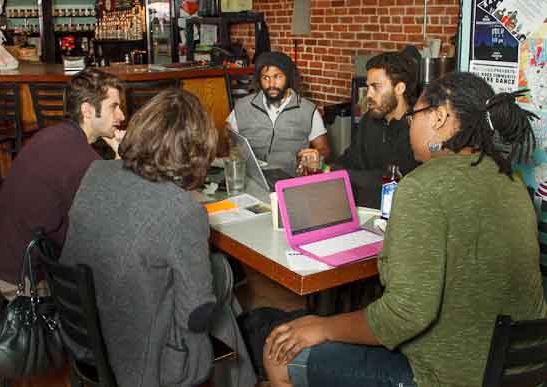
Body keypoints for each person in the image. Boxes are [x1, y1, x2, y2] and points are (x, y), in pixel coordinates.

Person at [263, 72, 547, 387]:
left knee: (278, 354)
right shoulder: (510, 181)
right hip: (522, 369)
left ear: (439, 117)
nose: (410, 124)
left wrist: (323, 327)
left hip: (449, 375)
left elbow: (405, 315)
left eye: (415, 115)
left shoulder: (423, 185)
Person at [60, 88, 256, 387]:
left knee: (219, 288)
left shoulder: (97, 172)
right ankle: (245, 379)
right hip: (141, 362)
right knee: (218, 293)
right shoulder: (182, 210)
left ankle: (245, 376)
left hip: (82, 336)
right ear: (196, 149)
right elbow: (195, 314)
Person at [0, 68, 125, 298]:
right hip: (25, 285)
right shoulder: (84, 160)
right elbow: (114, 221)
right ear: (88, 110)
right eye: (114, 106)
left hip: (3, 264)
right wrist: (121, 159)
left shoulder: (52, 136)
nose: (121, 116)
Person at [303, 51, 420, 208]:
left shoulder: (418, 128)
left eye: (375, 87)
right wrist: (321, 166)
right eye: (368, 87)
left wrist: (334, 173)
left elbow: (394, 179)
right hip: (362, 210)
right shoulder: (369, 120)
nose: (369, 95)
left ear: (399, 88)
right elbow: (352, 159)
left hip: (399, 214)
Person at [226, 51, 330, 174]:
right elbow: (226, 139)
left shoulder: (308, 110)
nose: (271, 84)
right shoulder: (242, 106)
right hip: (251, 177)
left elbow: (323, 148)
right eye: (266, 78)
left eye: (278, 77)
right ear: (259, 80)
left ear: (288, 78)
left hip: (290, 178)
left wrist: (317, 156)